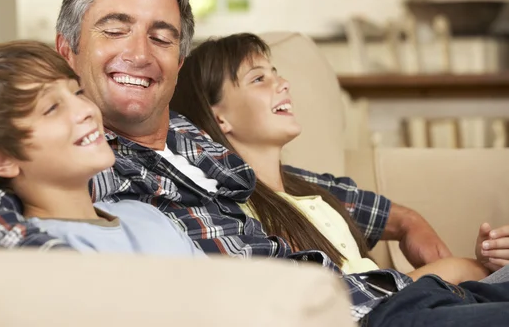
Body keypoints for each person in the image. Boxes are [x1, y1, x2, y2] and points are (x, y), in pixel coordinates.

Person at [0, 0, 468, 322]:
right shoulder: (86, 165)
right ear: (66, 51)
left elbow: (286, 187)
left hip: (383, 297)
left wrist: (404, 218)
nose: (139, 52)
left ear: (179, 62)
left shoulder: (201, 142)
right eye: (114, 29)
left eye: (160, 38)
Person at [170, 32, 509, 325]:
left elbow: (393, 216)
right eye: (259, 79)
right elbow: (320, 304)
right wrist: (452, 269)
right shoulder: (233, 211)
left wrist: (483, 264)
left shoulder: (307, 189)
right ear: (220, 117)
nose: (283, 83)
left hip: (438, 296)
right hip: (392, 311)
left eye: (276, 72)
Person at [0, 40, 203, 257]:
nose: (84, 110)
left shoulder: (146, 215)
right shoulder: (39, 250)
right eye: (51, 108)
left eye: (77, 93)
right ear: (1, 159)